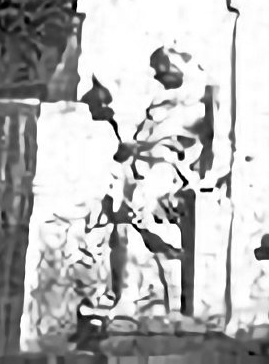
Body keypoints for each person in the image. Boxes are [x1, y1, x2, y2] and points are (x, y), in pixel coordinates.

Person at [80, 45, 217, 327]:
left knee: (152, 223)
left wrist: (142, 147)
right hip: (145, 168)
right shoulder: (160, 102)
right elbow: (146, 138)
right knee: (123, 223)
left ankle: (171, 303)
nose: (156, 73)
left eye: (161, 66)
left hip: (169, 172)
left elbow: (180, 139)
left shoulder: (195, 100)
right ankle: (127, 295)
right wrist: (132, 150)